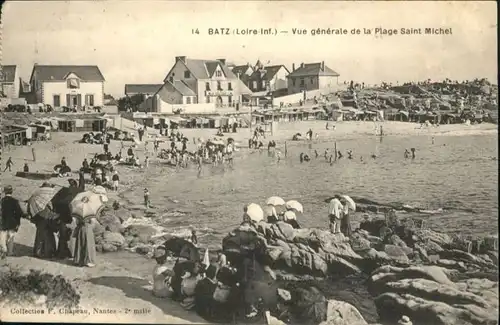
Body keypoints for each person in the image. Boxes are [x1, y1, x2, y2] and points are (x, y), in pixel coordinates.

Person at [0, 185, 24, 258]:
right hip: (12, 222)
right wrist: (19, 220)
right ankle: (10, 252)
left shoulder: (2, 201)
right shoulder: (15, 201)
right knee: (11, 237)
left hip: (3, 221)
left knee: (2, 236)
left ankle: (3, 248)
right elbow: (19, 212)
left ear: (5, 192)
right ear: (11, 191)